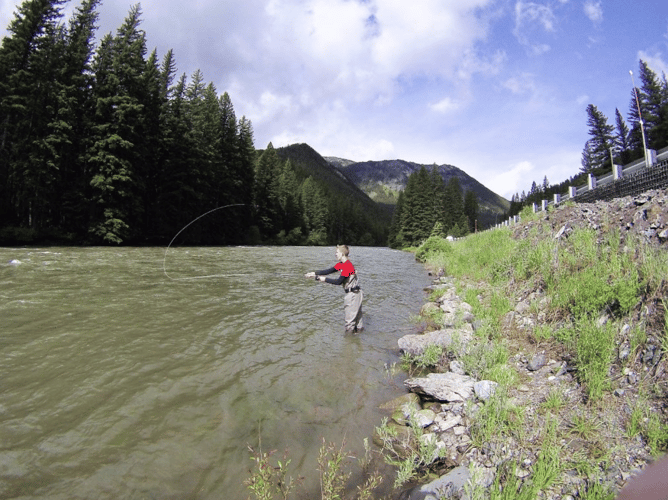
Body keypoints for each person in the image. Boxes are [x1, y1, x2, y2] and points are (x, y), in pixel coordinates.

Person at [305, 245, 364, 333]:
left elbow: (338, 282)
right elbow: (328, 271)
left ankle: (348, 344)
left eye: (337, 252)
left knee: (349, 325)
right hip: (356, 294)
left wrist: (322, 279)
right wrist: (313, 273)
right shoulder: (342, 264)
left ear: (342, 254)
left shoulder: (347, 266)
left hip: (352, 296)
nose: (335, 254)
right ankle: (359, 343)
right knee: (358, 323)